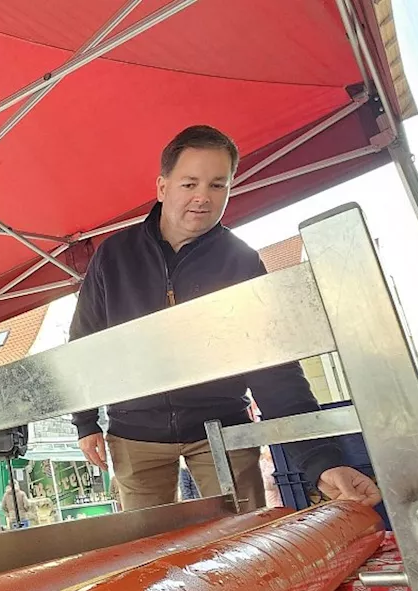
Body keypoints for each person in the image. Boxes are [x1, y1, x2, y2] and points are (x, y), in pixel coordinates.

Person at [70, 125, 382, 514]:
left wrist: (322, 461)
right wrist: (84, 422)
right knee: (145, 554)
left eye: (218, 185)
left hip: (225, 432)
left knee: (243, 543)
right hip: (135, 436)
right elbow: (84, 343)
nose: (203, 197)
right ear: (163, 187)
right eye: (189, 184)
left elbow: (274, 368)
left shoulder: (242, 262)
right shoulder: (113, 255)